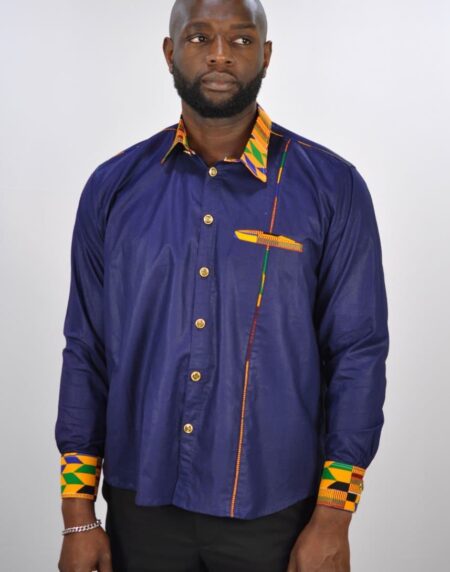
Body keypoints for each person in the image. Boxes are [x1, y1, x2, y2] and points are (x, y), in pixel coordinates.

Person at [55, 0, 389, 570]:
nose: (219, 54)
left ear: (266, 54)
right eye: (199, 37)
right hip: (141, 505)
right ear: (169, 52)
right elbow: (87, 352)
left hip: (277, 511)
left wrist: (334, 517)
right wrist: (78, 515)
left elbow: (357, 354)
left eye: (240, 39)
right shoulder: (113, 188)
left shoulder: (332, 188)